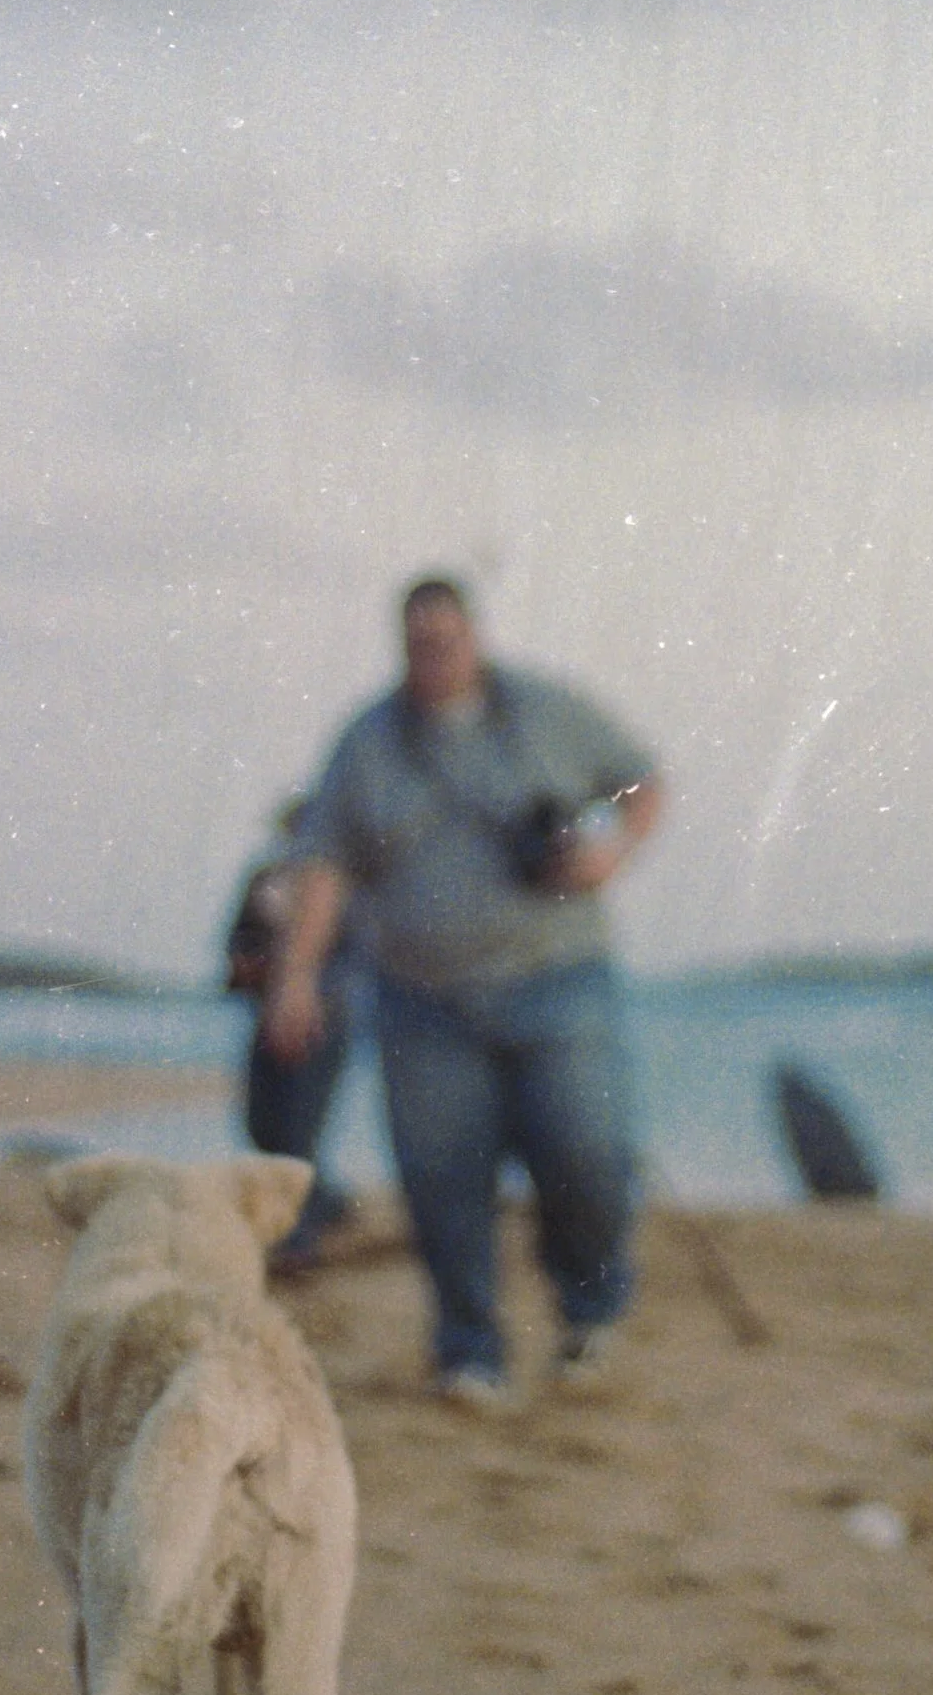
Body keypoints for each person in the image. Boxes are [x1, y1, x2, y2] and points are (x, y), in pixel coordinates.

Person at [261, 576, 664, 1403]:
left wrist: (609, 851)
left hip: (560, 982)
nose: (434, 658)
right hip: (423, 1000)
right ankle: (469, 1351)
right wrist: (296, 978)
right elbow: (325, 862)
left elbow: (641, 779)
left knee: (590, 1153)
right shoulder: (366, 744)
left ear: (475, 637)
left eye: (448, 641)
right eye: (418, 644)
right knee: (442, 1181)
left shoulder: (550, 712)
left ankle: (588, 1318)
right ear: (400, 647)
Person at [219, 803, 364, 1262]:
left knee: (299, 1128)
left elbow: (356, 955)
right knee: (262, 1124)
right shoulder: (264, 879)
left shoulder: (345, 885)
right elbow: (236, 939)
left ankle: (299, 1237)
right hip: (265, 1013)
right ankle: (325, 1203)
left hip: (323, 1020)